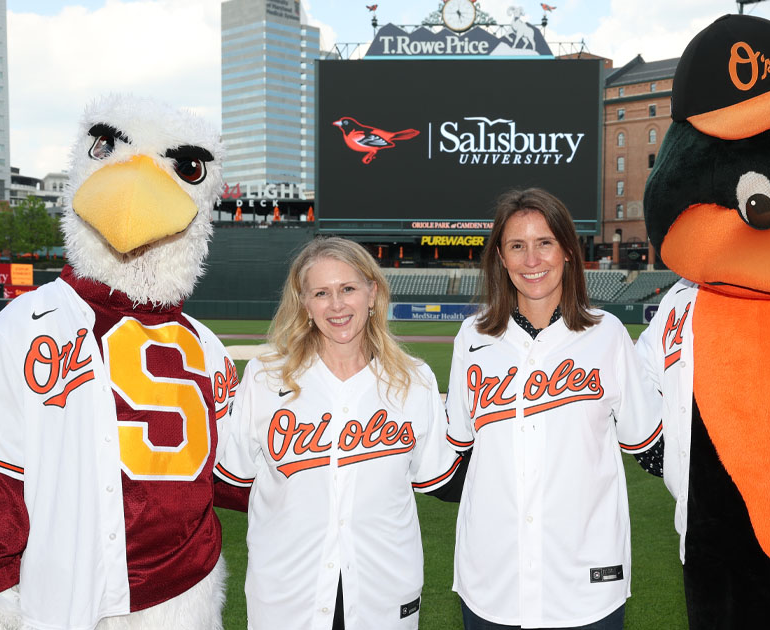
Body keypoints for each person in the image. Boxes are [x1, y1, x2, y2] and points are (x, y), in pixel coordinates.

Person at [215, 237, 465, 630]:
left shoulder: (414, 381)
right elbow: (232, 476)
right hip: (287, 591)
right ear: (304, 303)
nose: (336, 305)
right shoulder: (264, 379)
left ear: (372, 293)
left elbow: (436, 474)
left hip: (383, 589)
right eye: (321, 293)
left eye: (347, 288)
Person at [445, 188, 663, 629]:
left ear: (566, 249)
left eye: (544, 242)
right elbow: (458, 453)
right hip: (493, 580)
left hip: (586, 579)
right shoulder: (472, 338)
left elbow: (650, 445)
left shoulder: (608, 335)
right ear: (501, 259)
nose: (532, 260)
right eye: (517, 246)